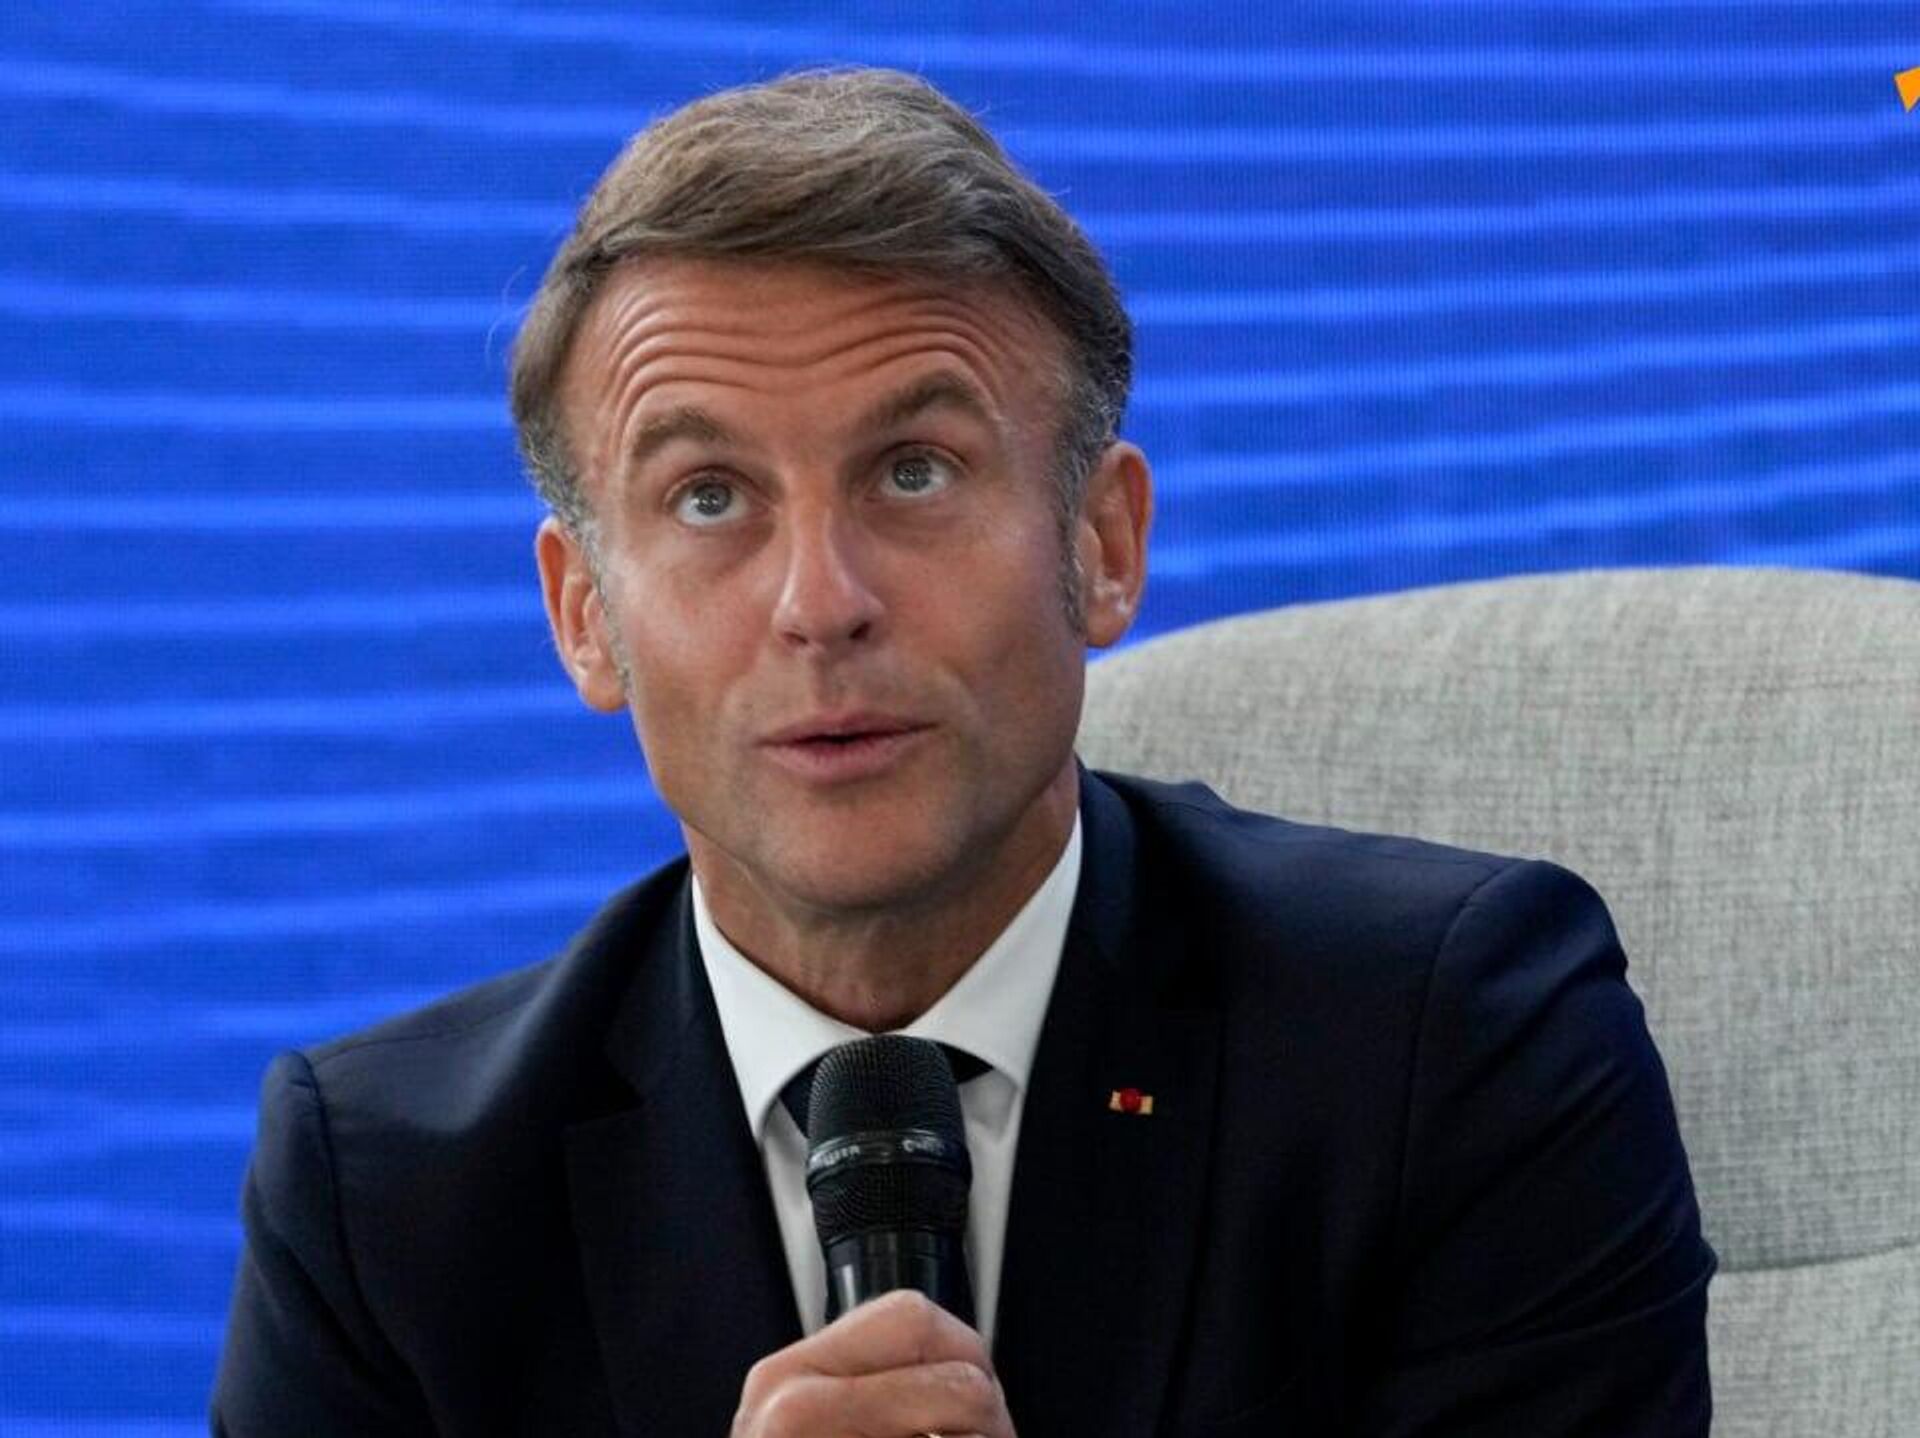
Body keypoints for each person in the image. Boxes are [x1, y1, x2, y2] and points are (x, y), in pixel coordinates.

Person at [212, 68, 1715, 1436]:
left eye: (914, 472)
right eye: (711, 498)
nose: (821, 604)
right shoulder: (390, 1196)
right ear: (584, 616)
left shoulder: (1454, 1044)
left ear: (1102, 544)